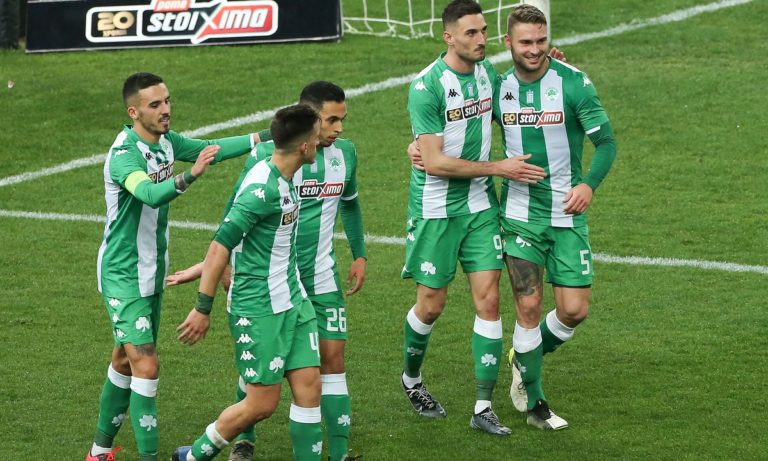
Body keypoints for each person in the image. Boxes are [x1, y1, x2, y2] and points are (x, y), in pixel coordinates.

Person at [166, 81, 366, 461]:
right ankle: (193, 456)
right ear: (305, 146)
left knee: (309, 387)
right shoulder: (262, 189)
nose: (330, 135)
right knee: (261, 404)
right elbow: (221, 243)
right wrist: (202, 305)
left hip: (295, 299)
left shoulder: (288, 179)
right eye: (321, 130)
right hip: (259, 306)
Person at [87, 72, 259, 461]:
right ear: (133, 112)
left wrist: (271, 135)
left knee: (124, 360)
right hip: (122, 274)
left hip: (152, 271)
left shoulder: (166, 142)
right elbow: (149, 193)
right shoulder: (124, 155)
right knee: (146, 365)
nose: (165, 110)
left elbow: (213, 148)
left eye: (167, 101)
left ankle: (98, 453)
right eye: (155, 105)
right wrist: (189, 175)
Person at [400, 0, 546, 436]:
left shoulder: (487, 75)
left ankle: (483, 407)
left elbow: (518, 104)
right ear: (448, 37)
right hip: (436, 210)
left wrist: (549, 65)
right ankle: (411, 378)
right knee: (432, 305)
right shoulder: (427, 87)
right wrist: (499, 167)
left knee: (489, 301)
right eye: (471, 33)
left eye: (483, 31)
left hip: (481, 207)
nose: (481, 39)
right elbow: (434, 163)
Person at [496, 4, 617, 430]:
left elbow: (607, 143)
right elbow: (459, 127)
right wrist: (417, 145)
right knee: (528, 306)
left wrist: (588, 186)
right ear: (508, 42)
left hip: (567, 214)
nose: (534, 49)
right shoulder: (496, 88)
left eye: (541, 40)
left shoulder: (573, 82)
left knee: (574, 311)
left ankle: (523, 358)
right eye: (525, 42)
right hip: (519, 216)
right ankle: (536, 404)